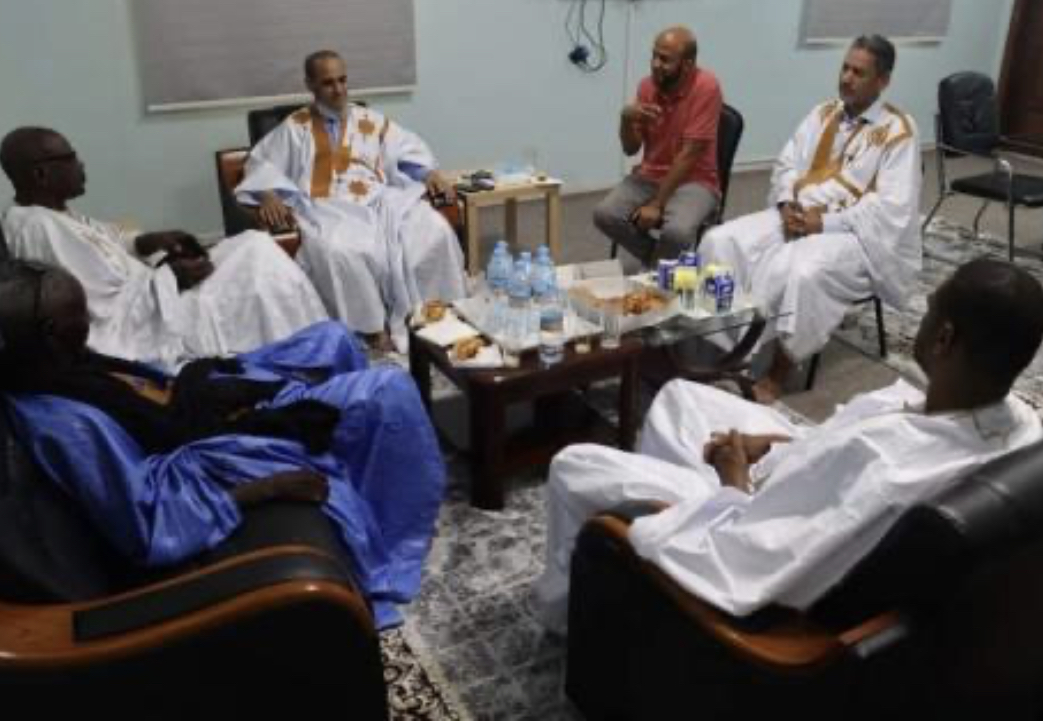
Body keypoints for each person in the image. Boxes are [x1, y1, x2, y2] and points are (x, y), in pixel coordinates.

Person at [534, 258, 1043, 635]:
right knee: (680, 398)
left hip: (747, 521)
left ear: (944, 339)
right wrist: (778, 446)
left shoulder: (885, 471)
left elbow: (751, 557)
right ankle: (634, 588)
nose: (923, 319)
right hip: (797, 484)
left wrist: (733, 481)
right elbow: (842, 452)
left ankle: (576, 619)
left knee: (575, 467)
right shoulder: (1022, 423)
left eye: (929, 309)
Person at [0, 260, 446, 628]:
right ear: (51, 331)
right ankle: (387, 547)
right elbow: (147, 523)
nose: (91, 321)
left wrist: (204, 379)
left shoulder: (58, 361)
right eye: (81, 315)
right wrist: (266, 488)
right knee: (388, 390)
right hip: (209, 435)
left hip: (195, 398)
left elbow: (142, 387)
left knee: (332, 336)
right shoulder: (66, 425)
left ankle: (365, 476)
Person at [699, 35, 921, 404]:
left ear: (882, 81)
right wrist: (786, 203)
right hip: (797, 213)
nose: (846, 78)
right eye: (845, 68)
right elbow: (787, 164)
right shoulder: (823, 113)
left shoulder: (898, 131)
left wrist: (824, 224)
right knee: (720, 241)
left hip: (856, 235)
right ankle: (718, 348)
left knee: (799, 271)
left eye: (859, 73)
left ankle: (777, 372)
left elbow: (890, 209)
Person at [0, 127, 328, 372]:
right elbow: (102, 312)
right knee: (257, 259)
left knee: (252, 243)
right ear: (41, 173)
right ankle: (305, 358)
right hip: (149, 323)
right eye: (71, 158)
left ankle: (308, 350)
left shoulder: (55, 213)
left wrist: (152, 240)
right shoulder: (38, 227)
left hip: (155, 291)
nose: (81, 164)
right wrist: (173, 276)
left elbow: (111, 240)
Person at [235, 50, 467, 352]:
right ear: (310, 85)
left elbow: (407, 152)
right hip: (327, 208)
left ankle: (439, 314)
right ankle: (370, 331)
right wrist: (268, 194)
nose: (339, 89)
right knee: (338, 251)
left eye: (343, 80)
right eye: (328, 83)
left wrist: (430, 174)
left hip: (381, 199)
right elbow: (261, 164)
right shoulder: (295, 127)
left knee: (434, 229)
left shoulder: (369, 120)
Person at [593, 26, 722, 266]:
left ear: (687, 64)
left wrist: (656, 204)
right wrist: (625, 119)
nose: (655, 64)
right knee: (604, 215)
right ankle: (658, 264)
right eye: (653, 56)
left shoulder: (706, 87)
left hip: (696, 180)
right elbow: (631, 149)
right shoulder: (647, 87)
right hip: (649, 176)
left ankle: (657, 270)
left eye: (664, 59)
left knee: (676, 233)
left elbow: (689, 155)